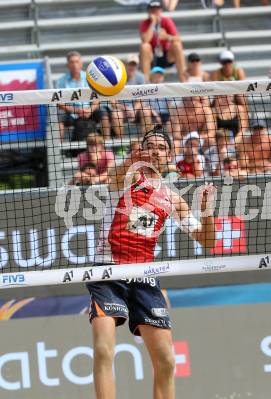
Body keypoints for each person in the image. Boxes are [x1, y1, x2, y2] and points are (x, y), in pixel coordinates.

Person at [89, 125, 215, 399]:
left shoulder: (171, 198)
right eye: (151, 146)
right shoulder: (123, 179)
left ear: (169, 155)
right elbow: (115, 174)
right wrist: (134, 158)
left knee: (167, 361)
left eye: (161, 148)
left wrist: (207, 212)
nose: (155, 151)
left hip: (144, 276)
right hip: (108, 270)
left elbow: (206, 241)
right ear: (142, 150)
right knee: (102, 349)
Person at [56, 51, 103, 141]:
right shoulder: (61, 81)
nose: (75, 65)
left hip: (89, 111)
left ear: (81, 64)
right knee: (58, 116)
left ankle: (107, 145)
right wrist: (75, 110)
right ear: (68, 65)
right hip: (70, 113)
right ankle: (59, 150)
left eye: (77, 62)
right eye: (72, 62)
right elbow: (59, 103)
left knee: (103, 113)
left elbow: (97, 98)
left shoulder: (90, 78)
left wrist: (90, 110)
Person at [139, 1, 186, 82]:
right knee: (145, 47)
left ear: (161, 11)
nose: (155, 13)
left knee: (177, 45)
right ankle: (145, 83)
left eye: (157, 10)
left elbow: (178, 38)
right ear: (148, 12)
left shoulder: (166, 21)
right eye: (152, 10)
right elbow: (145, 40)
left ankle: (183, 80)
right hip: (152, 57)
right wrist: (153, 23)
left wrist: (167, 37)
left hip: (166, 56)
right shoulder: (145, 23)